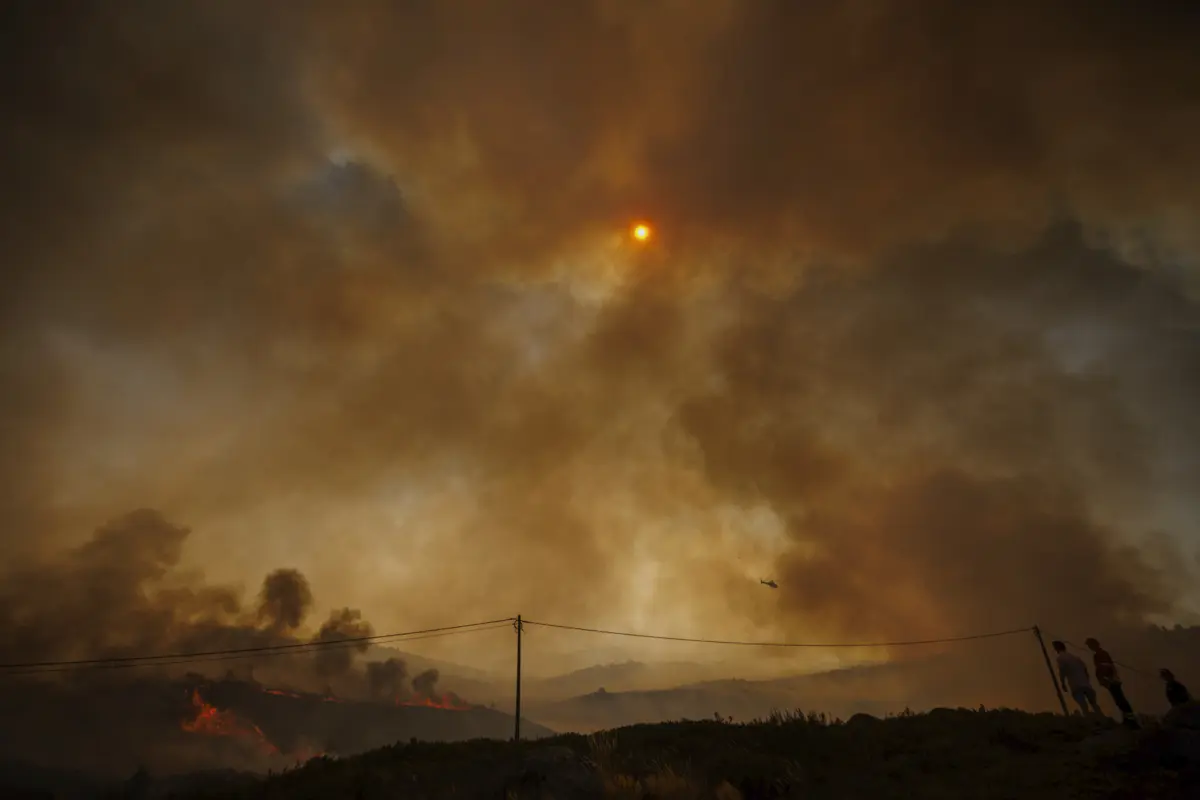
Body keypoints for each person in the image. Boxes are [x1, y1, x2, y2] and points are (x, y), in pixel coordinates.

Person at [1085, 637, 1138, 727]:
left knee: (1120, 700)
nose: (1089, 647)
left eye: (1090, 645)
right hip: (1111, 680)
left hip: (1111, 680)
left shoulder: (1100, 654)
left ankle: (1131, 720)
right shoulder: (1101, 654)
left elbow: (1106, 667)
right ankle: (1128, 719)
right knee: (1119, 700)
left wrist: (1107, 679)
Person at [1052, 641, 1102, 715]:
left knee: (1083, 706)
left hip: (1075, 685)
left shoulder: (1060, 658)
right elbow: (1085, 669)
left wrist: (1063, 683)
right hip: (1085, 683)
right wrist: (1087, 680)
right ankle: (1102, 719)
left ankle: (1091, 722)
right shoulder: (1076, 658)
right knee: (1094, 704)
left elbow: (1062, 672)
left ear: (1056, 649)